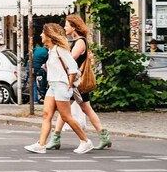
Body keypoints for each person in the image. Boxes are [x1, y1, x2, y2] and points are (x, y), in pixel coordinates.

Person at [25, 23, 94, 154]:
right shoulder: (51, 51)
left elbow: (73, 66)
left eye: (43, 33)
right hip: (52, 86)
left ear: (49, 36)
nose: (40, 35)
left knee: (66, 117)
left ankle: (85, 141)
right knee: (46, 115)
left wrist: (69, 83)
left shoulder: (59, 50)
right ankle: (41, 144)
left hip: (61, 86)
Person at [47, 14, 110, 150]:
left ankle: (56, 137)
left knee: (65, 110)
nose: (64, 28)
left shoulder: (80, 42)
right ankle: (104, 136)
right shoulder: (78, 41)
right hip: (74, 81)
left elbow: (69, 59)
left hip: (74, 82)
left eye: (67, 25)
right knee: (84, 108)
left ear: (74, 27)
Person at [31, 38, 49, 104]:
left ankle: (35, 100)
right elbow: (48, 63)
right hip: (39, 69)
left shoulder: (36, 49)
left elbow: (30, 55)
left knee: (33, 84)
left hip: (31, 68)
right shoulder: (47, 52)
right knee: (46, 76)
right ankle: (42, 91)